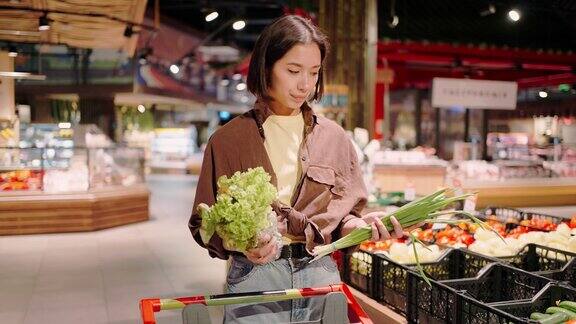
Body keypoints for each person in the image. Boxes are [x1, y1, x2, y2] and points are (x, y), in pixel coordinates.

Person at [189, 15, 404, 323]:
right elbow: (203, 222)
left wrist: (359, 225)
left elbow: (345, 215)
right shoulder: (228, 140)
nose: (305, 84)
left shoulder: (334, 138)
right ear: (266, 68)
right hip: (255, 278)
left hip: (320, 274)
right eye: (293, 71)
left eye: (314, 73)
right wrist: (242, 244)